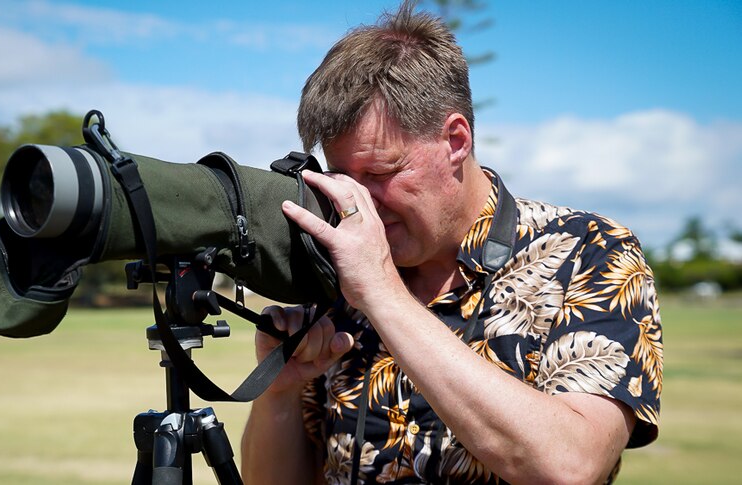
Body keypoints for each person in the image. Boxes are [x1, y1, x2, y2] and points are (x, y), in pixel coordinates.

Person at [241, 2, 663, 484]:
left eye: (380, 173)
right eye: (342, 178)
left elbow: (571, 468)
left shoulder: (589, 251)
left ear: (456, 140)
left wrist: (380, 294)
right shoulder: (335, 272)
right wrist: (279, 392)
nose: (358, 202)